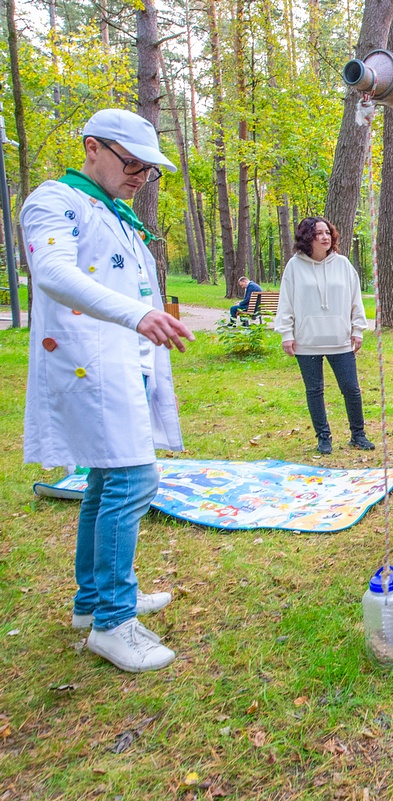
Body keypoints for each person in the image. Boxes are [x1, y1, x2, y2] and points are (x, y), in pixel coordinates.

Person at [21, 108, 193, 672]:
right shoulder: (55, 200)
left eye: (149, 169)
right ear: (93, 147)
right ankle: (114, 623)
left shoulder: (112, 211)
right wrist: (139, 315)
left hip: (125, 363)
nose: (141, 176)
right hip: (89, 365)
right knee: (132, 479)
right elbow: (53, 272)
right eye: (132, 164)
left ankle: (93, 600)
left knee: (105, 478)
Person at [276, 216, 374, 455]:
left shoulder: (342, 265)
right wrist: (286, 334)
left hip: (339, 339)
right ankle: (323, 437)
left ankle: (358, 435)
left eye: (328, 232)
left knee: (351, 388)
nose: (325, 237)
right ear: (307, 237)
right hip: (306, 341)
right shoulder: (294, 266)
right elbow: (286, 302)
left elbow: (355, 300)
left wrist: (357, 329)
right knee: (314, 390)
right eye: (319, 233)